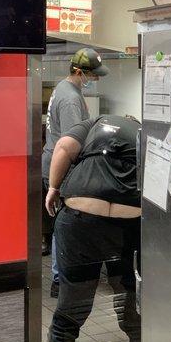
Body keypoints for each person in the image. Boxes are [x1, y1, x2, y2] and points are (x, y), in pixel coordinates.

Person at [45, 115, 141, 342]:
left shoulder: (94, 123)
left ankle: (63, 338)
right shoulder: (143, 131)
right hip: (130, 216)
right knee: (128, 280)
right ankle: (138, 335)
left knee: (78, 280)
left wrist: (54, 188)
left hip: (82, 211)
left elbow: (64, 147)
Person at [42, 48, 110, 296]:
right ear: (79, 72)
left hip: (53, 162)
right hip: (61, 167)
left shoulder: (64, 87)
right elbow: (72, 142)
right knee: (64, 225)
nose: (96, 80)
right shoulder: (71, 98)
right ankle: (60, 281)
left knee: (61, 224)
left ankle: (61, 277)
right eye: (93, 75)